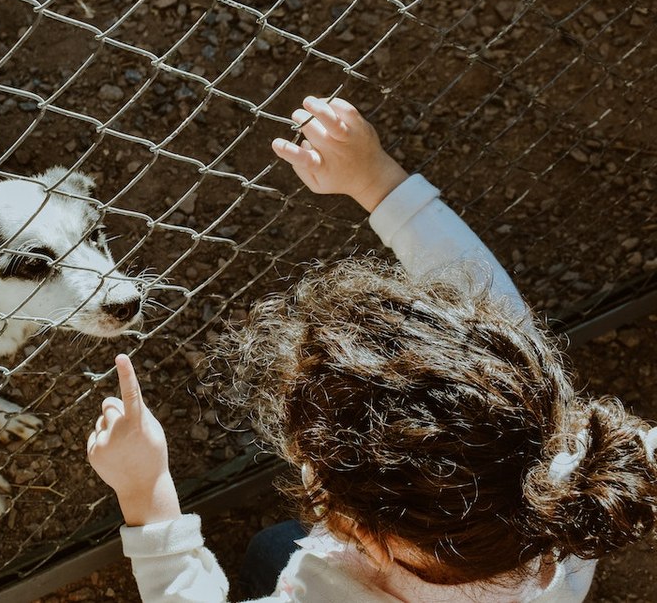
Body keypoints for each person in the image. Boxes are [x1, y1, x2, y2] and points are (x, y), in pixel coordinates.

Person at [85, 95, 657, 602]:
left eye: (308, 460)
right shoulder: (565, 462)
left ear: (364, 536)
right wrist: (377, 181)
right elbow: (480, 291)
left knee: (270, 550)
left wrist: (148, 496)